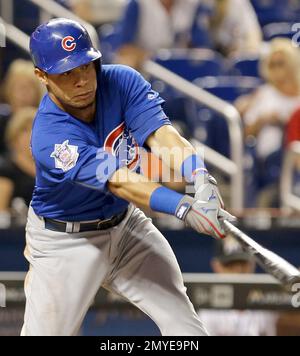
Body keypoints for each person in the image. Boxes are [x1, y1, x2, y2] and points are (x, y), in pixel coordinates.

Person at [22, 18, 235, 336]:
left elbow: (162, 136)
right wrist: (182, 207)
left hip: (125, 226)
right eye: (66, 73)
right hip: (66, 241)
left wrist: (200, 178)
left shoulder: (121, 81)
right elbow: (119, 179)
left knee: (186, 328)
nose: (81, 80)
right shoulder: (50, 136)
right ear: (43, 77)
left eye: (85, 66)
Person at [235, 38, 300, 206]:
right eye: (273, 64)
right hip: (272, 157)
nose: (277, 69)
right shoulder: (264, 94)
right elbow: (246, 133)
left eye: (281, 63)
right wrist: (265, 120)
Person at [198, 237, 279, 336]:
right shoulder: (209, 309)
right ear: (217, 266)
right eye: (230, 265)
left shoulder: (268, 298)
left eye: (243, 263)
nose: (238, 271)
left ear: (252, 263)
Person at [115, 0, 200, 69]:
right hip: (147, 65)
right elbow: (125, 49)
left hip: (182, 66)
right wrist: (154, 59)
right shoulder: (137, 4)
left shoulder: (193, 5)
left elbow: (201, 48)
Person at [0, 60, 43, 155]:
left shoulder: (46, 123)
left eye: (29, 87)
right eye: (19, 87)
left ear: (37, 92)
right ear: (9, 90)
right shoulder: (2, 121)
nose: (24, 94)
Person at [191, 0, 262, 57]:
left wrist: (247, 50)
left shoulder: (238, 3)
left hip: (230, 54)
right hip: (201, 53)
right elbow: (182, 31)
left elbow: (253, 33)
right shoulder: (195, 3)